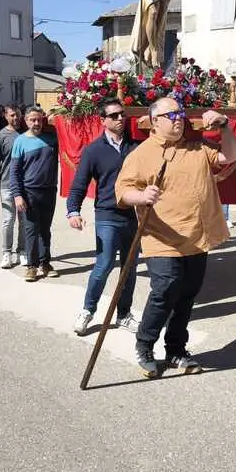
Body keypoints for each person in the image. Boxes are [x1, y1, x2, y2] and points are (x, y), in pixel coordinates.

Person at [115, 97, 236, 378]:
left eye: (180, 113)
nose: (178, 119)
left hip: (197, 234)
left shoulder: (197, 147)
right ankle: (145, 345)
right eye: (171, 115)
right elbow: (122, 191)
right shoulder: (141, 154)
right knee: (165, 291)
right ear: (155, 122)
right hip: (162, 238)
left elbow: (228, 157)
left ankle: (176, 350)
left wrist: (225, 127)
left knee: (187, 294)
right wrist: (142, 195)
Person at [67, 98, 140, 336]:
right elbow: (79, 184)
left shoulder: (136, 147)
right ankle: (88, 310)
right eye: (114, 116)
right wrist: (73, 210)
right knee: (105, 263)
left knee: (129, 267)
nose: (120, 119)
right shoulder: (94, 150)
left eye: (122, 114)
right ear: (103, 121)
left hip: (133, 215)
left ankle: (124, 314)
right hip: (107, 214)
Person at [10, 106, 58, 282]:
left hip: (49, 191)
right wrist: (17, 195)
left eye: (39, 119)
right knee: (31, 230)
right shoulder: (20, 141)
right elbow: (14, 172)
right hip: (29, 193)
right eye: (32, 120)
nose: (36, 123)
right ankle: (31, 266)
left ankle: (45, 263)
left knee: (45, 230)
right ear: (26, 121)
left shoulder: (52, 139)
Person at [0, 105, 26, 269]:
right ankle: (7, 253)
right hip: (7, 185)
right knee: (8, 220)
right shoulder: (0, 137)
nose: (15, 118)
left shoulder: (27, 133)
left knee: (24, 221)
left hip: (26, 186)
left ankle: (23, 251)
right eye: (12, 115)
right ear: (5, 116)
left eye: (17, 115)